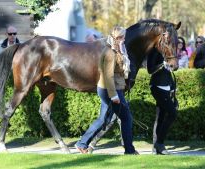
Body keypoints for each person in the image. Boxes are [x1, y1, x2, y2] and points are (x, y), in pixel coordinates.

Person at [75, 26, 138, 155]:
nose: (123, 40)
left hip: (110, 88)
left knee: (103, 119)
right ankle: (129, 150)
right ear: (115, 38)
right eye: (121, 37)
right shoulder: (110, 53)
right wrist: (114, 95)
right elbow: (108, 75)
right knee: (126, 118)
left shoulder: (118, 50)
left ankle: (81, 143)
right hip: (110, 89)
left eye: (124, 37)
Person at [147, 47, 177, 155]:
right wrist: (162, 64)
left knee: (160, 117)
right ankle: (159, 143)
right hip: (157, 86)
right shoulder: (154, 51)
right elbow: (150, 70)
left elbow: (171, 71)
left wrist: (173, 87)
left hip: (167, 87)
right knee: (172, 113)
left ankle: (156, 147)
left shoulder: (168, 51)